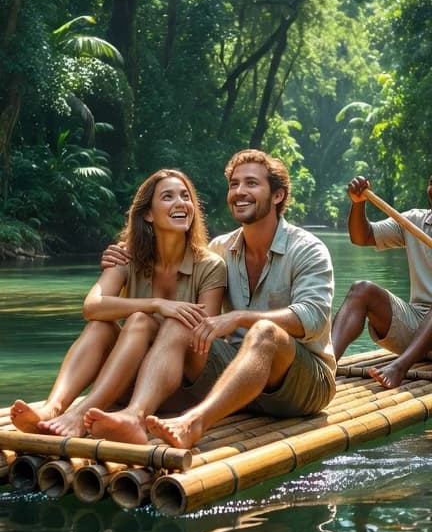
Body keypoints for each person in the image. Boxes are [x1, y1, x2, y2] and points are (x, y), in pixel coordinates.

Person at [90, 149, 336, 448]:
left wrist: (239, 317)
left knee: (265, 332)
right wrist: (125, 251)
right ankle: (134, 416)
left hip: (303, 383)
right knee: (185, 321)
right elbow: (181, 258)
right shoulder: (221, 248)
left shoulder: (308, 249)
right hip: (238, 379)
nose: (240, 192)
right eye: (234, 184)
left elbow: (312, 317)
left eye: (251, 184)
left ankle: (193, 423)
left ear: (277, 196)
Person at [10, 169, 226, 437]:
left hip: (183, 389)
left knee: (162, 322)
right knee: (103, 326)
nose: (180, 203)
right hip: (130, 379)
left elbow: (204, 340)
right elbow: (92, 306)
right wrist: (155, 304)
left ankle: (81, 414)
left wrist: (161, 317)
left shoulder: (210, 265)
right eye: (168, 197)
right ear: (148, 214)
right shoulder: (126, 255)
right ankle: (53, 407)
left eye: (185, 196)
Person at [331, 174, 432, 388]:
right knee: (362, 290)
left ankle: (399, 367)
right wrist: (358, 204)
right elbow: (362, 236)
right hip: (418, 327)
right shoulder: (413, 221)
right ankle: (324, 364)